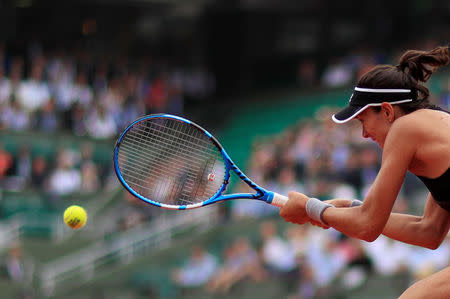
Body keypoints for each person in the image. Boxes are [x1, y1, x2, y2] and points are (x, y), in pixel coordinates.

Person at [279, 45, 449, 299]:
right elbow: (429, 231)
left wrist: (311, 209)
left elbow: (368, 226)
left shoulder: (405, 129)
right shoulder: (433, 126)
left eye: (362, 120)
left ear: (388, 111)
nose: (364, 134)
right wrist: (349, 207)